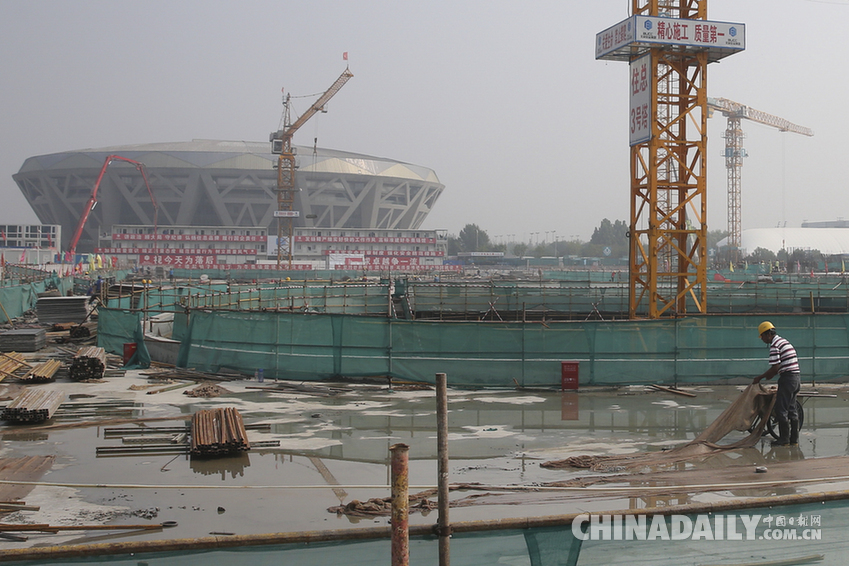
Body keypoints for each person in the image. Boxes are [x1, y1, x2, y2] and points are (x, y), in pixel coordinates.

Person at [753, 321, 801, 446]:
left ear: (768, 334)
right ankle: (794, 440)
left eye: (762, 336)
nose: (762, 339)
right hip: (796, 378)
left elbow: (775, 368)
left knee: (781, 410)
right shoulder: (784, 342)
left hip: (788, 379)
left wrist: (761, 377)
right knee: (792, 409)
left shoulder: (775, 345)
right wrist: (767, 376)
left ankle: (784, 439)